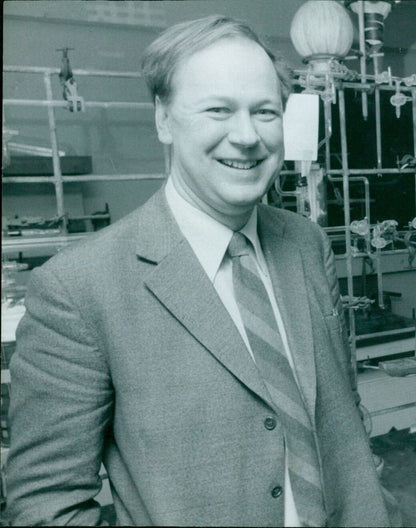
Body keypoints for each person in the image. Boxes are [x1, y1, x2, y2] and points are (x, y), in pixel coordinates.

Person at [5, 15, 391, 526]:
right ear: (163, 119)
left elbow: (338, 421)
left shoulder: (306, 243)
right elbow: (45, 507)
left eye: (265, 111)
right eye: (218, 110)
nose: (248, 136)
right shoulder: (78, 287)